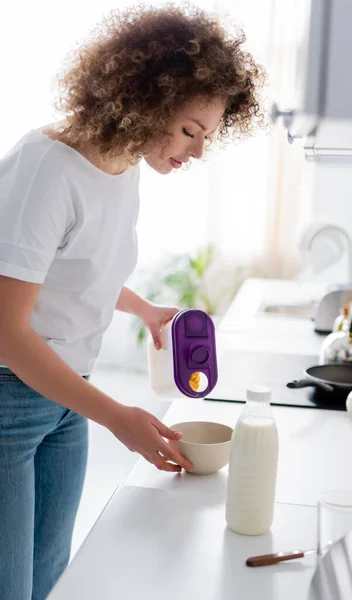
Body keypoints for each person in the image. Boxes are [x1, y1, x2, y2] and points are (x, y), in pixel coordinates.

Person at [0, 3, 265, 599]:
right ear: (143, 100)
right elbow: (8, 331)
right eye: (190, 130)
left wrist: (144, 309)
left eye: (209, 137)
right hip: (11, 400)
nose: (196, 153)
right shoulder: (46, 168)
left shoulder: (122, 165)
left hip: (68, 396)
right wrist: (116, 416)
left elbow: (72, 274)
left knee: (50, 577)